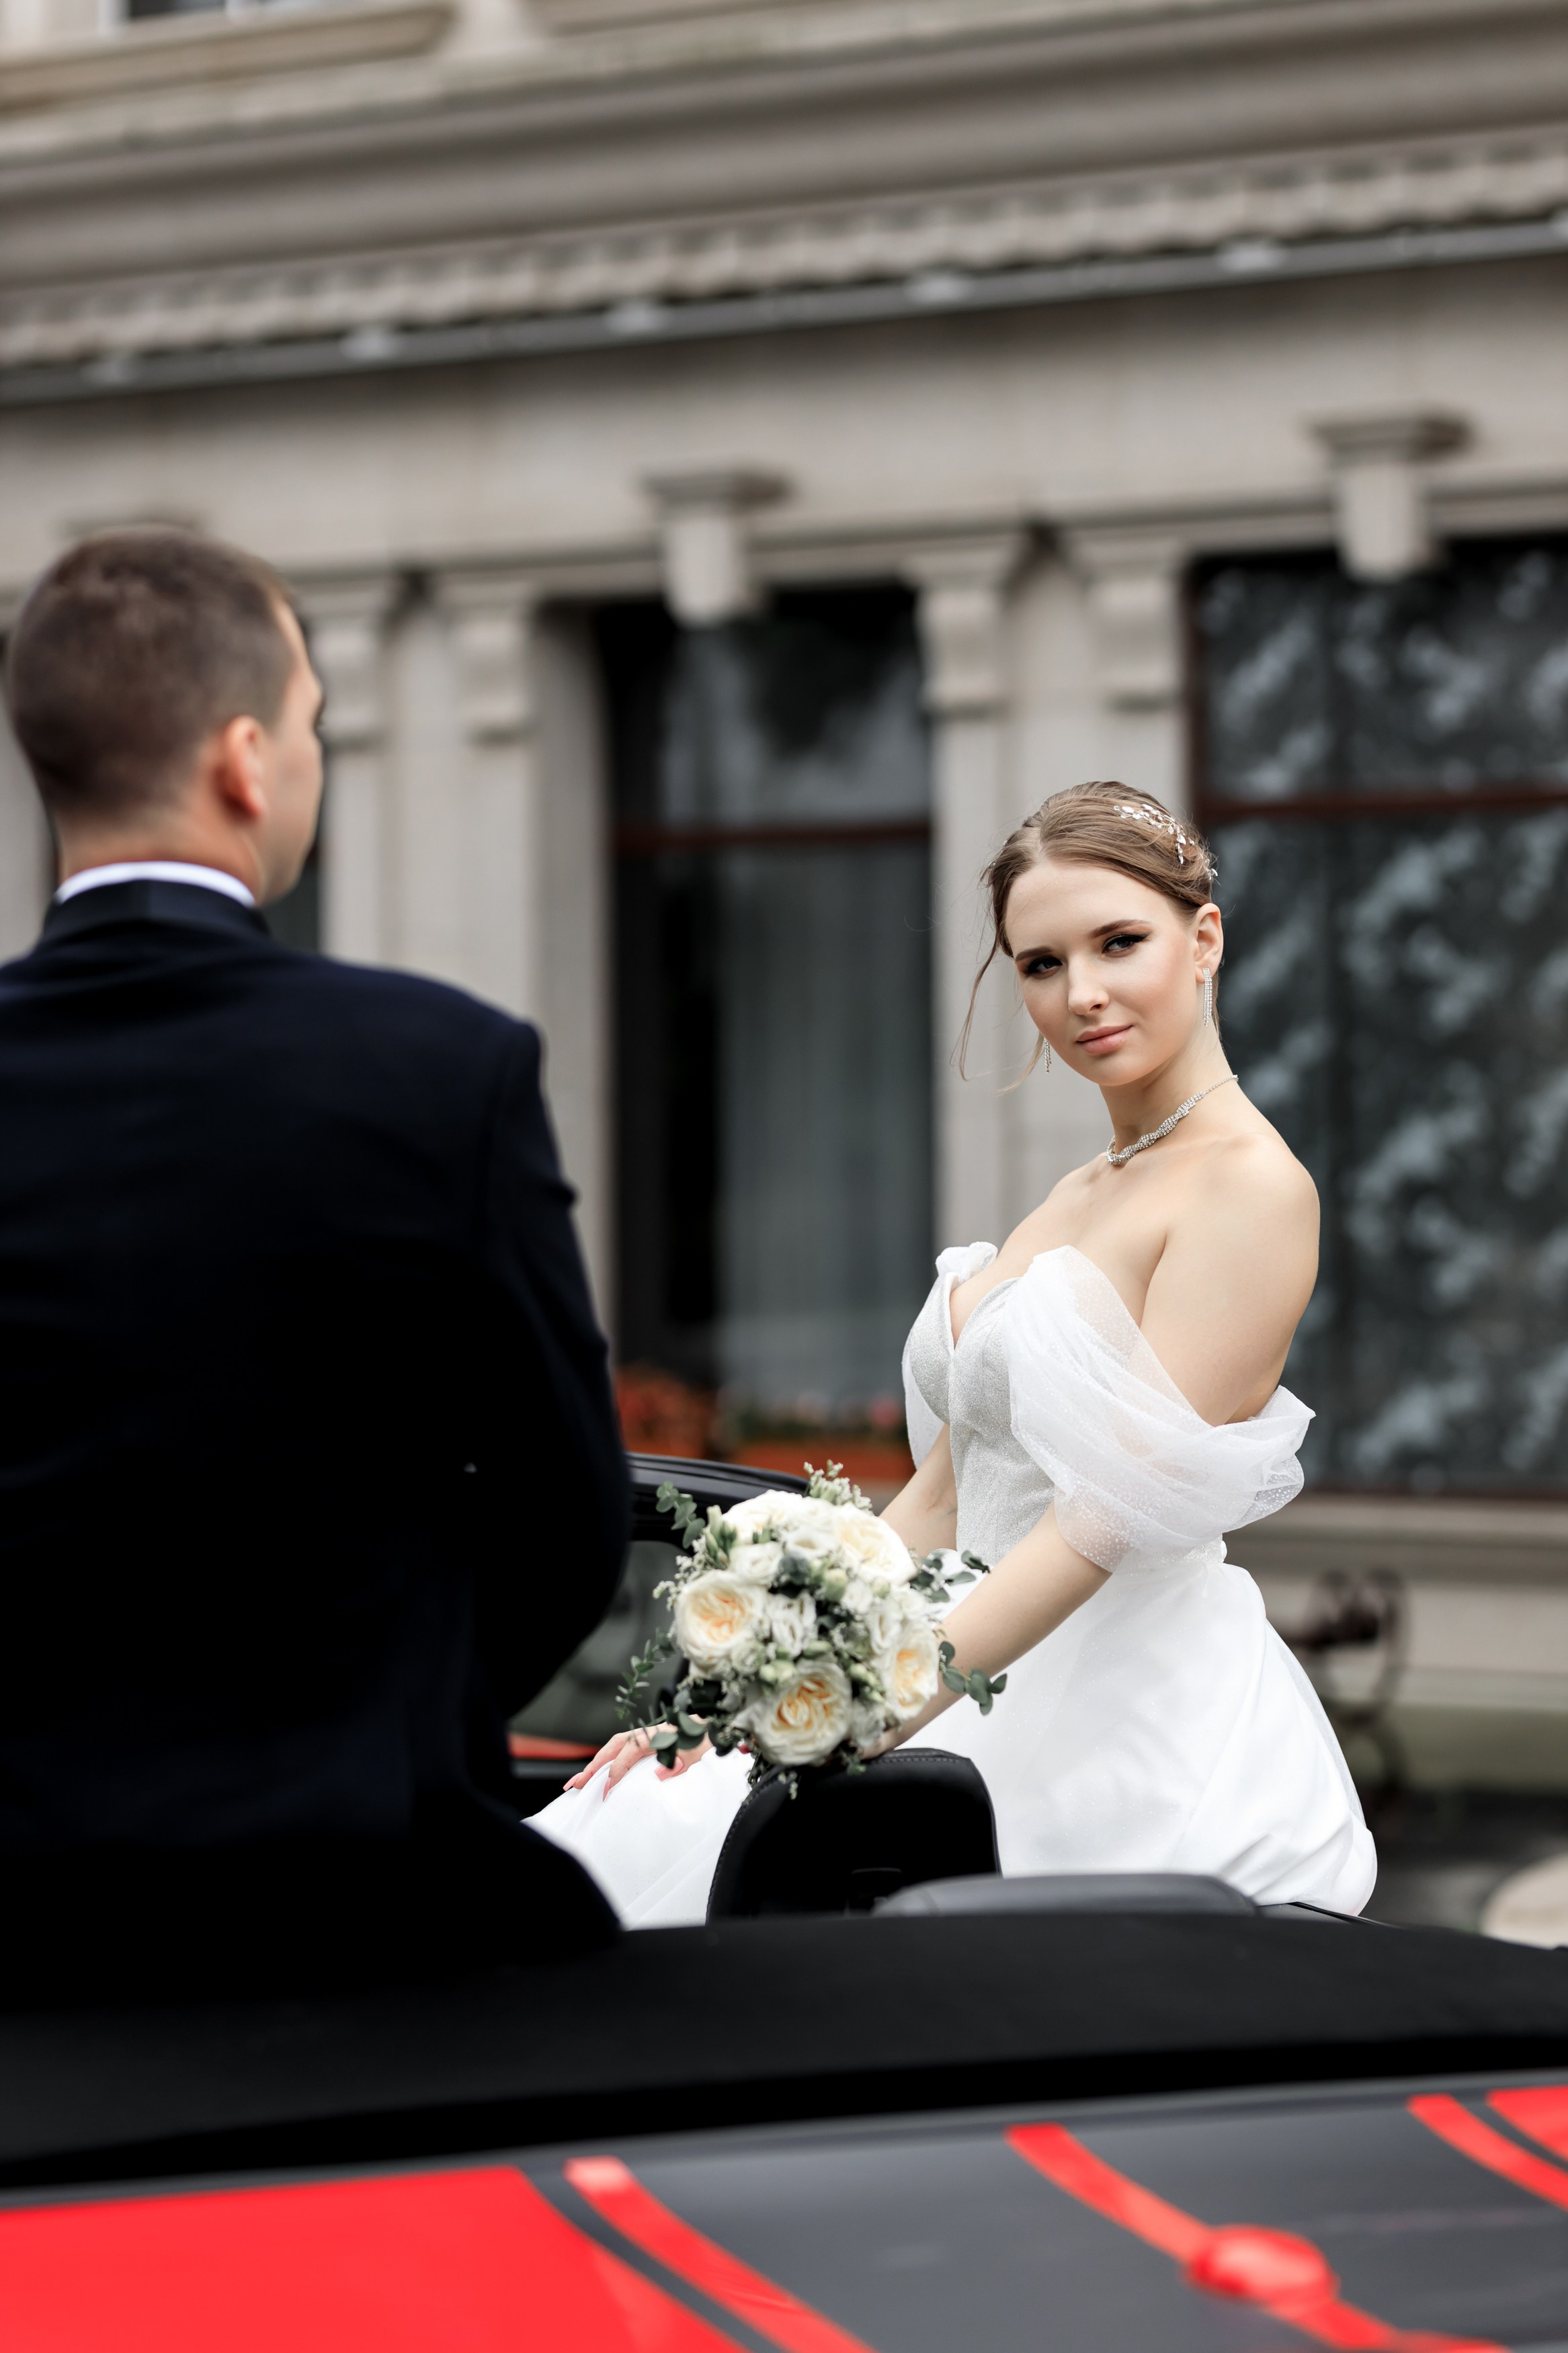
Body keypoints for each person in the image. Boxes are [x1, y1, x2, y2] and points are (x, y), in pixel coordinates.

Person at [534, 781, 1374, 1923]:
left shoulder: (1251, 1188)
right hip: (959, 1666)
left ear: (1204, 939)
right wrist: (740, 1703)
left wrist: (871, 1701)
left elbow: (1103, 1517)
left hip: (1112, 1727)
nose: (1081, 994)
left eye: (1118, 943)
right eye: (1039, 964)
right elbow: (941, 1491)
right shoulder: (1081, 1190)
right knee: (625, 1827)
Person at [0, 529, 628, 1991]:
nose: (311, 758)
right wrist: (379, 1713)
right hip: (362, 1910)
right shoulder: (441, 1068)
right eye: (312, 725)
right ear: (243, 762)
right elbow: (566, 1507)